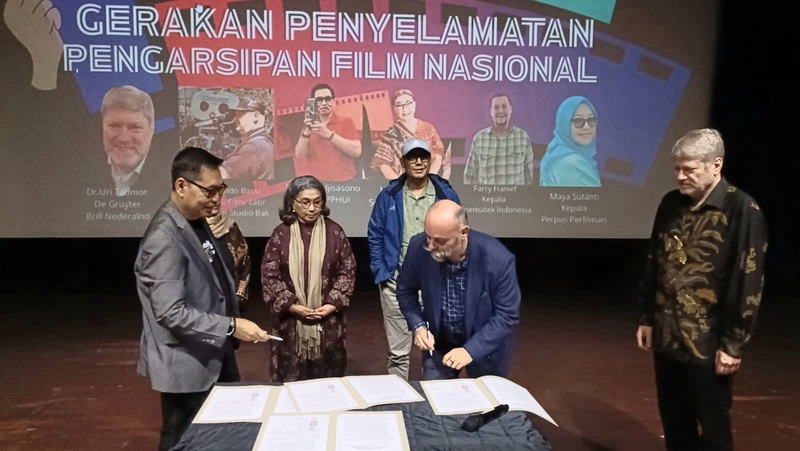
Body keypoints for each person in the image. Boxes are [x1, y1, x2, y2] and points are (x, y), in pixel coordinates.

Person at [636, 128, 767, 451]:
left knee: (713, 427)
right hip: (667, 335)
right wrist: (647, 317)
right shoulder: (670, 203)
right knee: (674, 421)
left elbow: (748, 280)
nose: (681, 176)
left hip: (707, 342)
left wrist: (734, 343)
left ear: (715, 165)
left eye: (689, 169)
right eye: (677, 169)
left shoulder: (741, 209)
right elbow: (655, 261)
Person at [135, 146, 270, 451]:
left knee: (226, 430)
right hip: (186, 361)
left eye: (221, 189)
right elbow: (170, 312)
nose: (217, 198)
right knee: (182, 438)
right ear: (181, 186)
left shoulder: (194, 221)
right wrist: (232, 326)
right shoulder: (164, 239)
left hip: (213, 349)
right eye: (209, 191)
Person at [368, 138, 461, 380]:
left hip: (437, 287)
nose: (419, 162)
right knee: (398, 353)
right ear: (402, 162)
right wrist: (381, 271)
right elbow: (375, 234)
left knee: (436, 350)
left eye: (424, 157)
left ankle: (435, 402)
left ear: (430, 161)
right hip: (396, 284)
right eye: (412, 157)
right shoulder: (388, 195)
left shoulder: (445, 194)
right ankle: (399, 401)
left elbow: (459, 234)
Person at [396, 200, 520, 380]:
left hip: (485, 347)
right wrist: (419, 326)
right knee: (435, 401)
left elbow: (507, 315)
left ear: (464, 233)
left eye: (440, 240)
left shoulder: (498, 259)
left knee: (485, 406)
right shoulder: (418, 247)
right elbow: (405, 291)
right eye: (428, 236)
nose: (430, 245)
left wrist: (470, 350)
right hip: (439, 343)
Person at [261, 175, 356, 382]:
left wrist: (331, 304)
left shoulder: (335, 232)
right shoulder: (281, 235)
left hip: (328, 321)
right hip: (290, 323)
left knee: (328, 381)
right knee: (291, 381)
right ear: (292, 203)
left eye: (317, 201)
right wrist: (292, 305)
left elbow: (347, 270)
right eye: (305, 202)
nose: (312, 208)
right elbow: (270, 275)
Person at [370, 89, 446, 179]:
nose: (404, 108)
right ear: (394, 109)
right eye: (399, 105)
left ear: (414, 104)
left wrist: (429, 179)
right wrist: (398, 184)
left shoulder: (427, 128)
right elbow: (382, 163)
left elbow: (438, 154)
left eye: (408, 103)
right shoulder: (392, 133)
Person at [295, 83, 362, 182]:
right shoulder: (308, 125)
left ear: (333, 102)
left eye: (327, 99)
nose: (324, 103)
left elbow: (356, 151)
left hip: (344, 183)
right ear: (313, 103)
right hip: (317, 183)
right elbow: (299, 155)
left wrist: (328, 134)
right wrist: (306, 132)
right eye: (319, 100)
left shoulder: (346, 121)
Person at [463, 94, 534, 185]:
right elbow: (469, 177)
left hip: (516, 198)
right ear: (490, 111)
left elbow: (530, 177)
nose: (500, 111)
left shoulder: (522, 137)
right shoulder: (479, 138)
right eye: (496, 107)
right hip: (486, 198)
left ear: (510, 109)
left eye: (504, 106)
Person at [100, 85, 156, 196]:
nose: (123, 138)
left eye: (135, 127)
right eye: (114, 126)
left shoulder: (173, 179)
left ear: (151, 130)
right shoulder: (78, 174)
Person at [539, 95, 601, 187]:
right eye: (578, 121)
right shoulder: (573, 163)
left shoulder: (555, 152)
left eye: (591, 120)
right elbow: (597, 199)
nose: (587, 127)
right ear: (564, 124)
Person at [207, 207, 251, 309]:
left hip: (230, 301)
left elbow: (245, 263)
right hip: (200, 304)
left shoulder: (231, 227)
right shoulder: (190, 229)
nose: (214, 200)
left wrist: (239, 294)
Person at [220, 97, 274, 181]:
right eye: (235, 115)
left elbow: (224, 174)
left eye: (239, 115)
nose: (234, 119)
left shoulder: (254, 147)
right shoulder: (263, 140)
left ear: (256, 116)